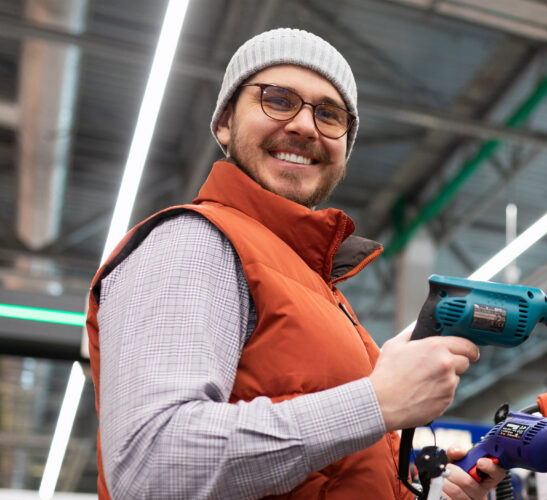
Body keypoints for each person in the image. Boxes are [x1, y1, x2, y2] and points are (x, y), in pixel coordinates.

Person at [85, 28, 505, 499]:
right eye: (278, 100)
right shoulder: (193, 241)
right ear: (225, 123)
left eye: (329, 113)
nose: (306, 126)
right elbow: (151, 466)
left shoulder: (321, 293)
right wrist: (375, 403)